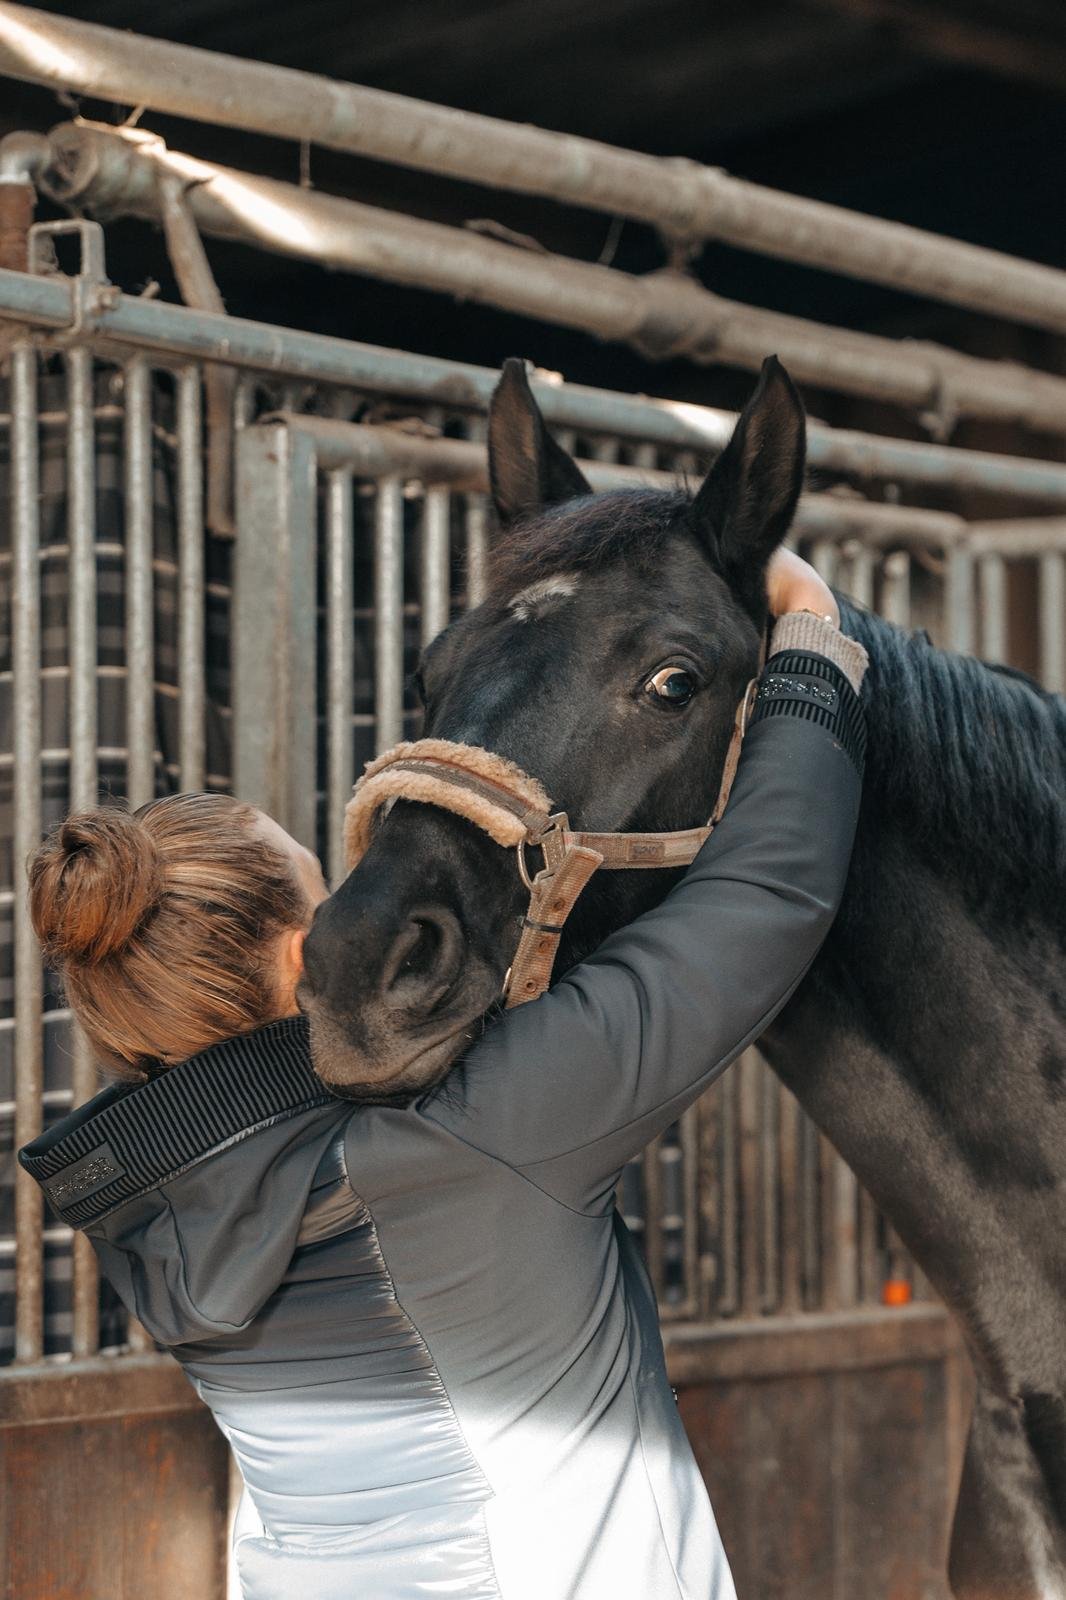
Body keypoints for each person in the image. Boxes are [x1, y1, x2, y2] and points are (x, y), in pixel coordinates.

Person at [20, 552, 866, 1600]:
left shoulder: (150, 1221)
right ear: (307, 956)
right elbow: (768, 894)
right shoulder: (481, 1134)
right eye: (329, 889)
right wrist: (810, 631)